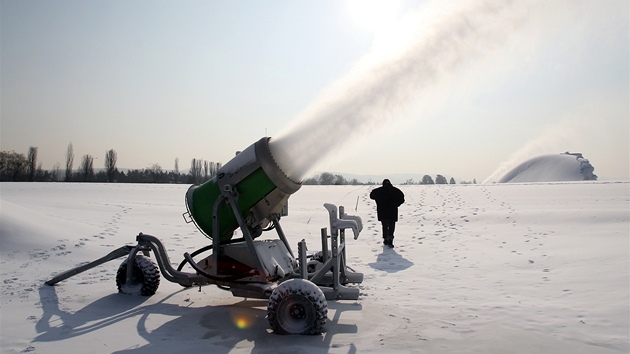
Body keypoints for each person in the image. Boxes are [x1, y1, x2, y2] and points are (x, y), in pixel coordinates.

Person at [370, 179, 405, 247]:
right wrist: (396, 204)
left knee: (384, 225)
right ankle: (390, 239)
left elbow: (371, 196)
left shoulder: (378, 191)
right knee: (392, 225)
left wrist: (379, 200)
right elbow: (402, 199)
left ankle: (385, 238)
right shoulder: (396, 191)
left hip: (382, 211)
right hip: (392, 210)